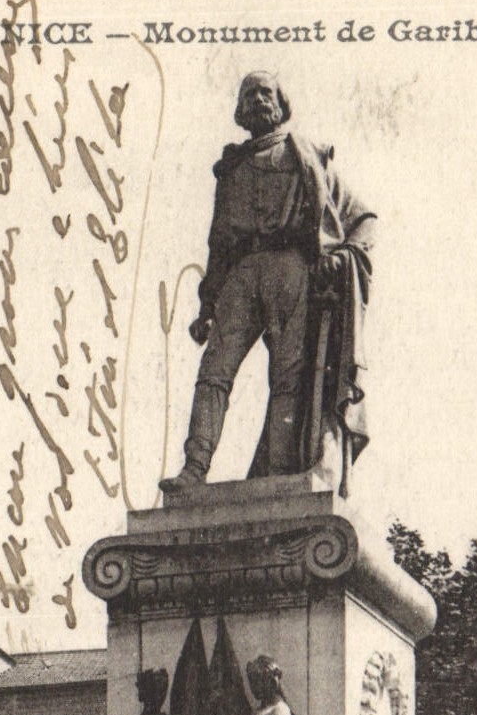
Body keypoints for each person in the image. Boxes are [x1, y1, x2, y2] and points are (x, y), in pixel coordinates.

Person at [160, 72, 376, 493]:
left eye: (266, 92)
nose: (258, 100)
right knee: (213, 373)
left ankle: (277, 476)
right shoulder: (232, 169)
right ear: (240, 108)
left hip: (292, 270)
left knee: (289, 378)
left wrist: (343, 256)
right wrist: (206, 307)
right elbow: (218, 243)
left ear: (281, 101)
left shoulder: (308, 156)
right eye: (249, 94)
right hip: (240, 275)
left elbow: (363, 219)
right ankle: (193, 469)